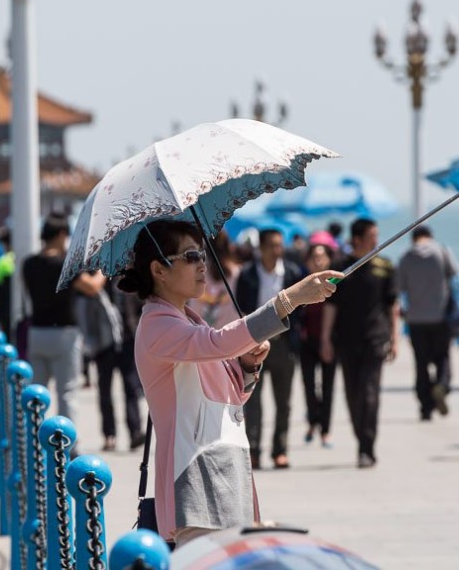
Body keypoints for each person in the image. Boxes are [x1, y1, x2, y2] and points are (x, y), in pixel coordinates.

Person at [121, 219, 342, 547]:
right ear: (159, 269)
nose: (202, 265)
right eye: (191, 256)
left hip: (225, 468)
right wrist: (289, 299)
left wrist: (248, 366)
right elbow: (217, 343)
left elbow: (231, 395)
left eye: (202, 255)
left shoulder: (186, 319)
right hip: (194, 479)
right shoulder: (157, 323)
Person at [320, 218, 400, 468]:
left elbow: (392, 306)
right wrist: (325, 338)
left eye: (377, 235)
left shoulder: (385, 267)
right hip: (346, 340)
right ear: (356, 239)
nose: (376, 240)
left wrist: (395, 339)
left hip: (375, 338)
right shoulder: (340, 268)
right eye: (371, 235)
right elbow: (330, 306)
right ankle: (361, 439)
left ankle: (367, 448)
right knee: (353, 394)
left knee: (369, 393)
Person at [21, 213, 104, 424]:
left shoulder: (28, 264)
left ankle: (33, 444)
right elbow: (92, 288)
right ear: (61, 234)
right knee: (66, 392)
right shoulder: (64, 265)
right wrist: (104, 270)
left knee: (37, 393)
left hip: (37, 332)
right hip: (64, 334)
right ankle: (68, 447)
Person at [236, 228, 305, 470]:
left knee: (283, 401)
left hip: (284, 344)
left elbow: (302, 309)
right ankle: (254, 450)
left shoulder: (292, 273)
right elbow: (240, 308)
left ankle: (280, 450)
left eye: (280, 245)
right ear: (262, 248)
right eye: (272, 245)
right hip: (254, 344)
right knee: (253, 401)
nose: (277, 250)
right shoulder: (247, 274)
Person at [397, 225, 459, 421]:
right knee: (443, 357)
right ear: (430, 236)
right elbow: (454, 273)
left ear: (413, 238)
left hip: (415, 319)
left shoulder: (406, 257)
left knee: (421, 363)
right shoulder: (441, 251)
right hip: (440, 317)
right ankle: (441, 385)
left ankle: (425, 407)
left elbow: (398, 287)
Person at [82, 278, 146, 452]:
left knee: (131, 386)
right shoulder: (97, 277)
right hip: (104, 342)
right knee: (105, 389)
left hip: (128, 339)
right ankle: (109, 435)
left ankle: (135, 432)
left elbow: (142, 305)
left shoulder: (130, 277)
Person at [300, 240, 337, 448]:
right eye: (314, 257)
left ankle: (325, 430)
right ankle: (313, 420)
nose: (318, 261)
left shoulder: (335, 283)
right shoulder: (301, 282)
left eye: (322, 256)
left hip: (330, 341)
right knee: (308, 385)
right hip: (307, 341)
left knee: (328, 385)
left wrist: (328, 339)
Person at [187, 230, 240, 329]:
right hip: (229, 334)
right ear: (228, 247)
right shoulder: (238, 273)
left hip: (198, 332)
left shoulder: (196, 271)